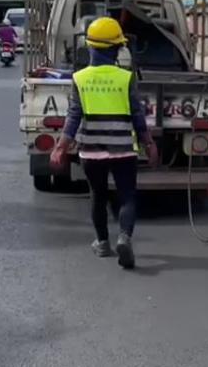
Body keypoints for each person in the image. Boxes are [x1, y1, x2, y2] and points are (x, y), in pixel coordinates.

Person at [50, 16, 158, 269]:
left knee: (98, 196)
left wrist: (60, 147)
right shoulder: (126, 77)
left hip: (91, 151)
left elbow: (74, 115)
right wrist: (149, 144)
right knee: (127, 197)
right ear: (117, 48)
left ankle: (102, 243)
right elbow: (137, 114)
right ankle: (125, 237)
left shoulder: (79, 78)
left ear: (89, 46)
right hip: (123, 149)